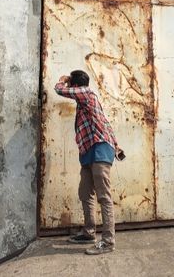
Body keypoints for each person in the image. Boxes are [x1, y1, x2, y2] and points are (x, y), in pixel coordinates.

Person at [54, 69, 121, 255]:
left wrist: (63, 80)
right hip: (88, 151)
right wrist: (116, 144)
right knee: (85, 192)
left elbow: (59, 90)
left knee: (103, 196)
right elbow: (105, 122)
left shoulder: (86, 93)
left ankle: (108, 242)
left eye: (71, 84)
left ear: (75, 85)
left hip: (100, 149)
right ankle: (89, 232)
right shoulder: (86, 102)